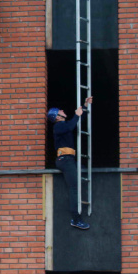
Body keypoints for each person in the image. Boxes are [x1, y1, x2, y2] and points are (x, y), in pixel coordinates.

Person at [47, 96, 93, 230]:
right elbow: (72, 125)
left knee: (78, 179)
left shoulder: (64, 125)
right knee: (74, 188)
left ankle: (76, 218)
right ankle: (75, 218)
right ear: (57, 117)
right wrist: (76, 115)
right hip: (65, 160)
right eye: (59, 111)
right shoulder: (58, 126)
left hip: (68, 159)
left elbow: (76, 122)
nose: (62, 110)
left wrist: (84, 106)